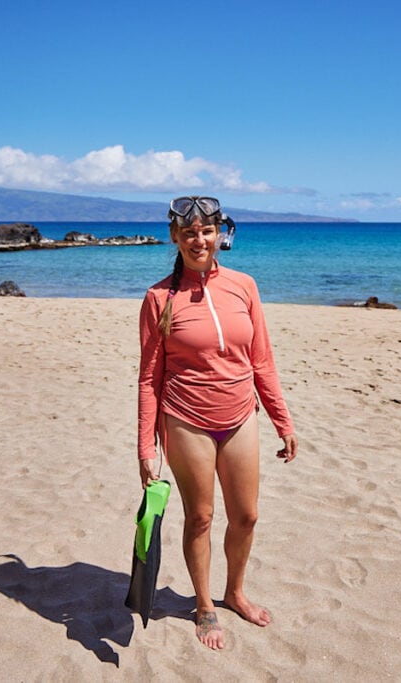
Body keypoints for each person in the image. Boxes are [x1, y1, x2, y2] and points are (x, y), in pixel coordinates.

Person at [136, 196, 299, 650]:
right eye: (188, 232)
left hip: (240, 415)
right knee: (201, 517)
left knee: (246, 516)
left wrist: (282, 420)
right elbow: (149, 377)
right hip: (185, 419)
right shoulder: (157, 298)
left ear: (219, 235)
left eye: (206, 231)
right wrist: (145, 448)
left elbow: (262, 360)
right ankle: (205, 605)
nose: (198, 239)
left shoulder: (244, 286)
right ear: (174, 237)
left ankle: (235, 592)